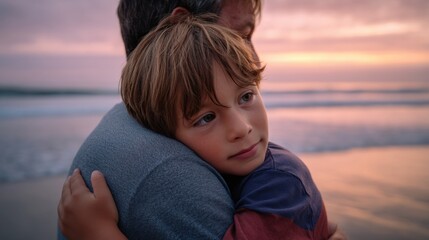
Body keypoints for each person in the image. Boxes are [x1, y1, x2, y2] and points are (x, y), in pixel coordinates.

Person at [58, 0, 346, 239]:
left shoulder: (279, 185)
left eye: (246, 96)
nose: (241, 128)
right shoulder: (165, 169)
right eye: (206, 117)